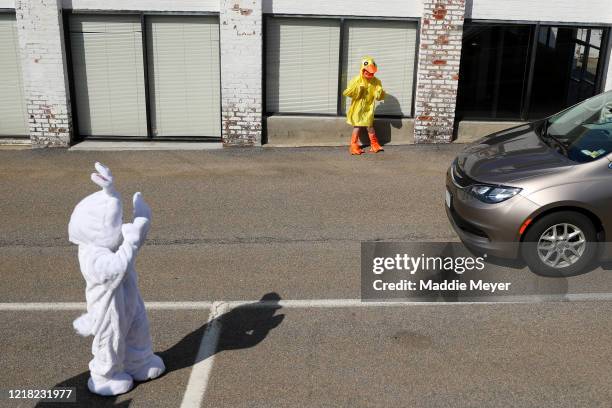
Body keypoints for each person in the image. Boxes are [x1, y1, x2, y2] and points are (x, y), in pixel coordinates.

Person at [68, 162, 165, 396]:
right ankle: (105, 375)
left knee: (138, 327)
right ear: (95, 227)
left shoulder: (110, 242)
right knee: (110, 340)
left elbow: (130, 247)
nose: (121, 225)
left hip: (129, 297)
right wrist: (130, 241)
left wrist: (142, 220)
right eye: (116, 221)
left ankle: (139, 361)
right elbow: (115, 268)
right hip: (107, 308)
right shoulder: (91, 253)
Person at [343, 56, 386, 155]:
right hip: (358, 107)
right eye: (367, 71)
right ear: (362, 69)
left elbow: (379, 97)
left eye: (371, 72)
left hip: (369, 107)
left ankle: (374, 144)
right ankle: (353, 145)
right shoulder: (357, 80)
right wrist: (359, 89)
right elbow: (347, 93)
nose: (369, 73)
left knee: (370, 126)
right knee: (357, 125)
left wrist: (379, 92)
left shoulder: (376, 81)